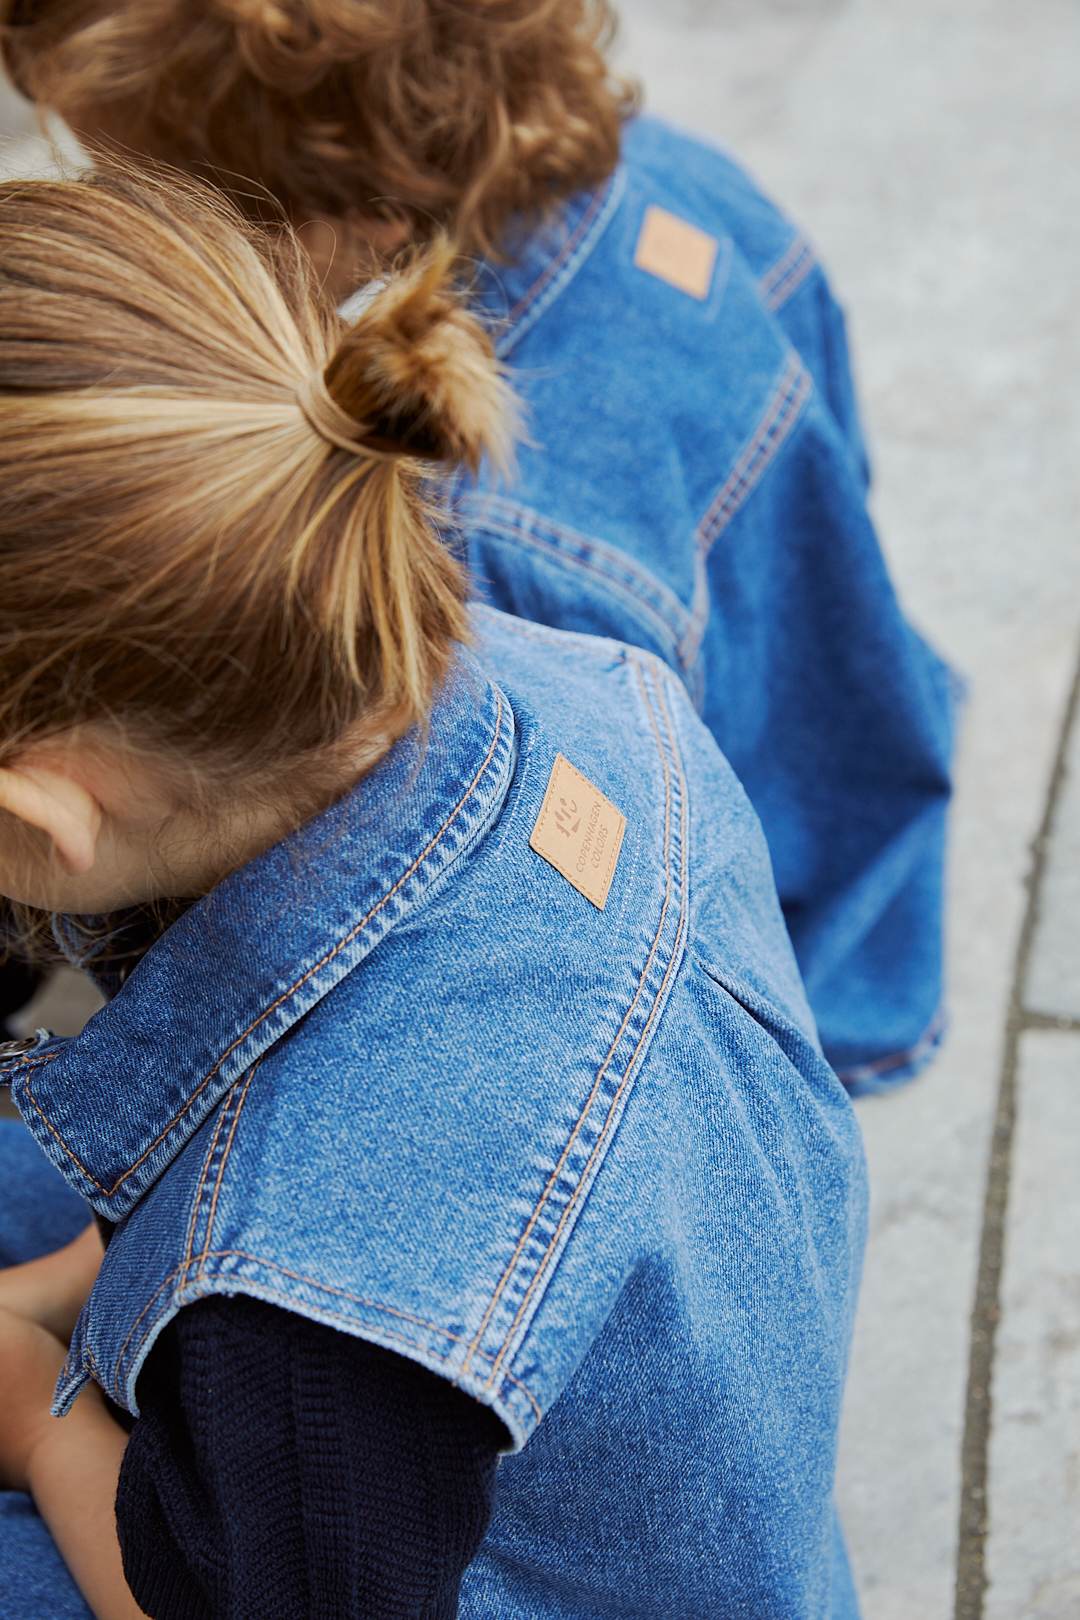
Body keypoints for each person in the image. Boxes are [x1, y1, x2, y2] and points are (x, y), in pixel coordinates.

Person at [0, 164, 866, 1618]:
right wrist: (71, 1291)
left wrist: (39, 1415)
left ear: (38, 811)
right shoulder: (593, 695)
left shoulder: (305, 1320)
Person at [0, 0, 957, 1095]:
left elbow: (413, 960)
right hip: (850, 797)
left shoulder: (470, 549)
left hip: (716, 981)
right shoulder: (680, 182)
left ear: (345, 219)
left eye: (129, 181)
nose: (103, 202)